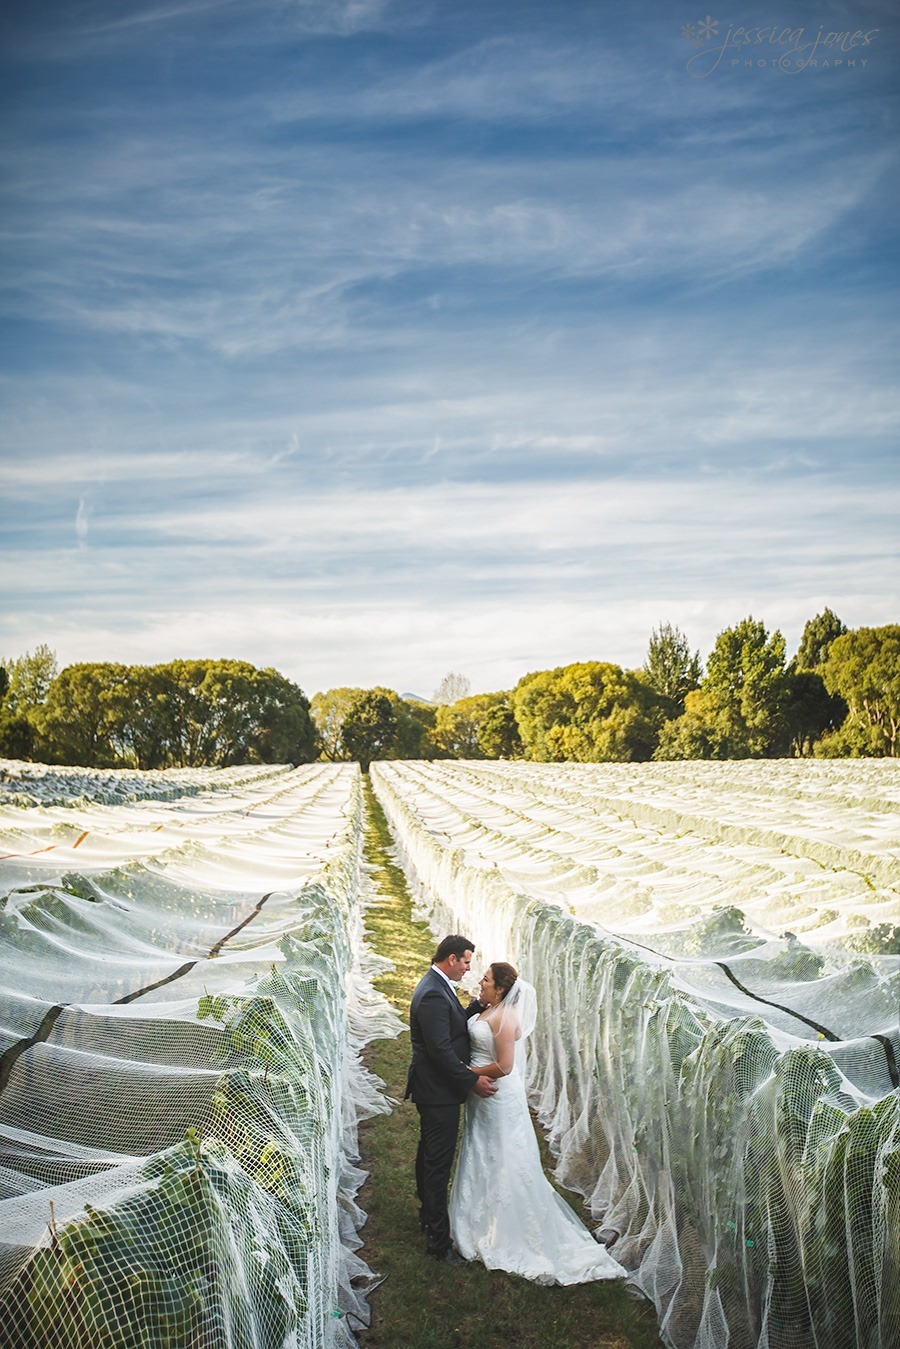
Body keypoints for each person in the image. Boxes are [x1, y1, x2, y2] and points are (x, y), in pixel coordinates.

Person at [448, 961, 628, 1285]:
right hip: (482, 1097)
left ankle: (507, 1229)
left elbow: (504, 1066)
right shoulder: (489, 1010)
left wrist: (465, 1073)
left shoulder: (505, 1017)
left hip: (497, 1095)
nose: (481, 983)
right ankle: (476, 1218)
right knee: (481, 1149)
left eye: (486, 980)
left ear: (500, 989)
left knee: (503, 1156)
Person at [406, 934, 497, 1264]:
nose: (469, 969)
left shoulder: (437, 984)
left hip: (436, 1089)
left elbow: (449, 1027)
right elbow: (441, 1051)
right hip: (437, 1091)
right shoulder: (432, 993)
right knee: (437, 1164)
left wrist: (473, 1008)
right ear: (452, 959)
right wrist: (472, 1080)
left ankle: (428, 1217)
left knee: (428, 1156)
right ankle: (438, 1242)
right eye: (467, 962)